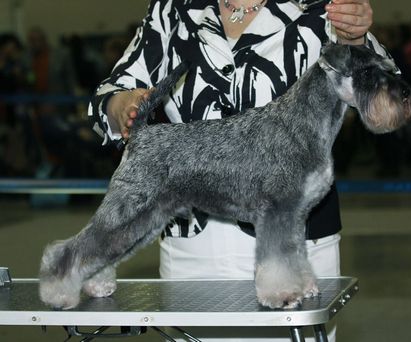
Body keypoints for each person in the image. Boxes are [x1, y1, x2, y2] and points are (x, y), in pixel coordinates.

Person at [88, 0, 390, 340]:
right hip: (193, 249)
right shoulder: (171, 9)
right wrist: (122, 106)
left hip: (299, 243)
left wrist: (356, 39)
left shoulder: (321, 8)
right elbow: (109, 92)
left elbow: (384, 91)